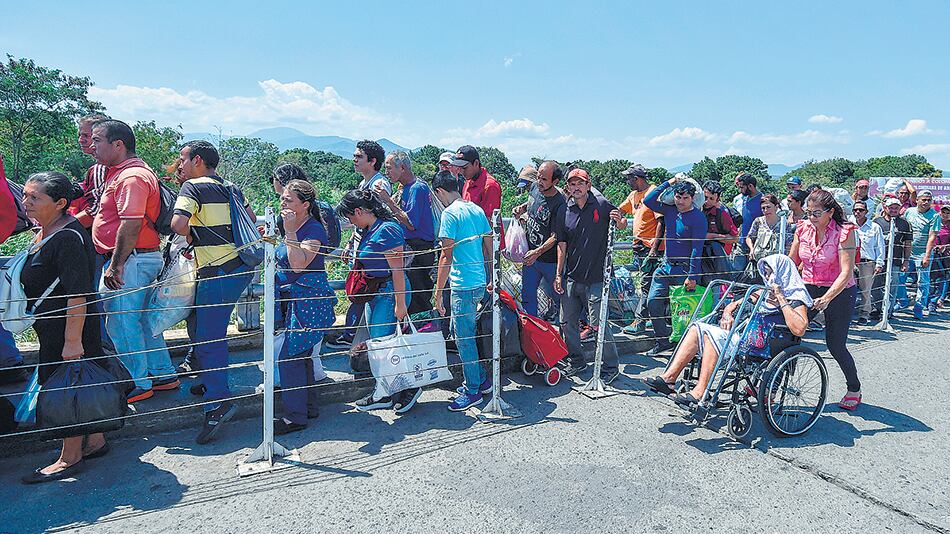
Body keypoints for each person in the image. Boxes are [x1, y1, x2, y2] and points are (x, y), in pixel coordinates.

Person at [19, 172, 108, 484]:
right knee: (79, 384)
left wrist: (72, 341)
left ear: (59, 203)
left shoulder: (68, 238)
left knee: (65, 387)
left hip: (68, 328)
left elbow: (77, 294)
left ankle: (69, 457)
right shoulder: (47, 230)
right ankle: (95, 440)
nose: (26, 202)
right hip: (55, 325)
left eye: (34, 198)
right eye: (26, 195)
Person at [171, 140, 255, 443]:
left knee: (208, 336)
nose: (180, 165)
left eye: (182, 159)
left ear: (197, 161)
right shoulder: (231, 186)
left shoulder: (192, 187)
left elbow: (178, 223)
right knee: (205, 327)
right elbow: (252, 221)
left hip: (216, 269)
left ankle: (218, 401)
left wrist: (196, 233)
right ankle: (209, 381)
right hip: (240, 266)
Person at [643, 254, 810, 406]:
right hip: (745, 337)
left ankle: (700, 392)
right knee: (696, 328)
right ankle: (669, 379)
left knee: (710, 335)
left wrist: (781, 299)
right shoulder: (763, 292)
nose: (768, 277)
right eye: (765, 273)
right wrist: (728, 313)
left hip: (763, 345)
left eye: (770, 272)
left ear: (783, 273)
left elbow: (800, 329)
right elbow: (733, 303)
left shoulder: (795, 297)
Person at [90, 120, 177, 404]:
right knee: (140, 320)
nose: (92, 146)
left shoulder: (131, 177)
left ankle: (137, 382)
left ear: (118, 145)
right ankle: (162, 374)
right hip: (137, 258)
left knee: (122, 323)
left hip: (131, 260)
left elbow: (131, 222)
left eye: (97, 140)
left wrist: (116, 265)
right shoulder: (124, 174)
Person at [336, 190, 417, 413]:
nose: (350, 221)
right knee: (381, 344)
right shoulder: (369, 230)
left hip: (390, 289)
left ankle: (403, 388)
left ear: (359, 211)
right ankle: (387, 391)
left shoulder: (387, 230)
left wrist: (399, 304)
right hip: (378, 291)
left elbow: (398, 270)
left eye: (350, 216)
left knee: (385, 344)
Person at [273, 180, 337, 434]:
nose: (283, 202)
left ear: (305, 205)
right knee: (301, 356)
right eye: (283, 198)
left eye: (288, 200)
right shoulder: (296, 225)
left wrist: (289, 232)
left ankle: (295, 416)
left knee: (289, 357)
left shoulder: (313, 230)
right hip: (294, 301)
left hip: (308, 301)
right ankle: (308, 407)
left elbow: (298, 264)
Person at [790, 189, 862, 410]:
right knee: (789, 334)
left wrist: (827, 298)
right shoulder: (802, 228)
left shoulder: (845, 231)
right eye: (809, 212)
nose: (811, 217)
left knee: (835, 344)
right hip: (809, 285)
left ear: (830, 212)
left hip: (839, 290)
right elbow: (792, 262)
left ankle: (854, 388)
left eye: (817, 213)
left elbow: (847, 272)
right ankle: (774, 386)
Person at [430, 171, 494, 410]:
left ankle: (472, 390)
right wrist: (490, 276)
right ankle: (481, 380)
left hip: (462, 284)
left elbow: (446, 256)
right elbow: (489, 244)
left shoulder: (449, 214)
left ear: (440, 192)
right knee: (461, 333)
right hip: (478, 281)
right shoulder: (476, 210)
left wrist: (437, 293)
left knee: (464, 339)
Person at [554, 169, 624, 382]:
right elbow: (561, 245)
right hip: (572, 276)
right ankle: (577, 361)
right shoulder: (564, 210)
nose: (576, 187)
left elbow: (619, 224)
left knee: (598, 324)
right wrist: (558, 274)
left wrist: (619, 220)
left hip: (596, 277)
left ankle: (610, 367)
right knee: (566, 322)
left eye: (580, 183)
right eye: (572, 184)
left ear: (588, 184)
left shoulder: (601, 204)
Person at [642, 176, 708, 356]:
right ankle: (663, 341)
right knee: (653, 302)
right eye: (678, 197)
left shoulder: (698, 218)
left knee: (682, 311)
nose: (680, 201)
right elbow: (648, 200)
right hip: (665, 266)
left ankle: (683, 347)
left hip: (684, 269)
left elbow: (697, 248)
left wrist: (693, 276)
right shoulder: (670, 211)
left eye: (685, 198)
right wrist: (669, 182)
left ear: (692, 198)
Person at [377, 151, 436, 317]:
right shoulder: (405, 188)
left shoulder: (417, 188)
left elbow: (411, 223)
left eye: (389, 168)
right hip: (412, 248)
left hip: (419, 249)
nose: (386, 173)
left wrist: (388, 200)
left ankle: (422, 333)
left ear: (402, 168)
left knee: (418, 298)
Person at [512, 160, 566, 318]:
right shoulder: (535, 187)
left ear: (555, 182)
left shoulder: (559, 203)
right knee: (528, 295)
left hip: (549, 260)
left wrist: (537, 252)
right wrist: (522, 208)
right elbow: (532, 201)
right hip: (531, 256)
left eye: (544, 180)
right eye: (538, 178)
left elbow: (556, 236)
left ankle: (563, 329)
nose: (539, 182)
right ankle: (532, 328)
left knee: (558, 296)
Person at [617, 164, 665, 335]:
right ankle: (650, 319)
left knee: (646, 285)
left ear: (636, 178)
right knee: (647, 285)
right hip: (638, 246)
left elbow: (661, 221)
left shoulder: (653, 193)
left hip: (651, 249)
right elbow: (619, 210)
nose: (627, 181)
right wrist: (619, 219)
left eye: (628, 178)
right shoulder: (634, 195)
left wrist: (655, 247)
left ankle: (640, 321)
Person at [69, 113, 112, 229]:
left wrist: (60, 228)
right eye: (79, 135)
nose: (80, 140)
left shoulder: (101, 168)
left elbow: (95, 212)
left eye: (86, 136)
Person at [872, 198, 912, 319]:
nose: (894, 210)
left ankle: (888, 313)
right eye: (891, 208)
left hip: (895, 261)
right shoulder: (876, 222)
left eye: (896, 208)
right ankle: (879, 309)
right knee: (875, 286)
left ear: (900, 209)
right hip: (878, 261)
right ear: (885, 208)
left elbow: (908, 244)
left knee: (892, 287)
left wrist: (906, 261)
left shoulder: (905, 223)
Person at [904, 190, 941, 319]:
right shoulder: (909, 212)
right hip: (907, 252)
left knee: (923, 282)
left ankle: (918, 307)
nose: (926, 202)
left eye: (928, 200)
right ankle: (902, 301)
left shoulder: (935, 216)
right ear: (917, 200)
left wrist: (927, 255)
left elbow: (932, 237)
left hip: (923, 254)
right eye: (923, 200)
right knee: (900, 278)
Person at [849, 200, 886, 325]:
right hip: (849, 261)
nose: (857, 212)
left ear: (866, 212)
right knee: (847, 289)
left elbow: (880, 246)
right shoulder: (848, 225)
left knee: (866, 290)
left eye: (861, 210)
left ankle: (864, 314)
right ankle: (846, 314)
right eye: (855, 210)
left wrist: (879, 263)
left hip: (867, 262)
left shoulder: (875, 227)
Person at [453, 145, 503, 237]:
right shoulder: (468, 181)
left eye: (464, 168)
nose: (461, 172)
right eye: (459, 168)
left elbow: (488, 224)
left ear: (476, 163)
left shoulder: (490, 186)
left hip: (486, 244)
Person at [700, 180, 738, 286]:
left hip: (713, 260)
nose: (706, 201)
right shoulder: (694, 209)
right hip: (695, 257)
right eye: (705, 197)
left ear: (717, 199)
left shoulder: (721, 214)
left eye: (711, 199)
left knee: (713, 289)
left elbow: (735, 238)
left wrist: (712, 236)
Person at [746, 194, 792, 264]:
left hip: (776, 262)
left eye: (768, 207)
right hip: (759, 261)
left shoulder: (784, 224)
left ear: (776, 207)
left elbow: (789, 244)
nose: (766, 210)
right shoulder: (758, 221)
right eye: (763, 208)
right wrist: (751, 249)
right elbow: (749, 237)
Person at [923, 203, 950, 311]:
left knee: (943, 278)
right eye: (943, 212)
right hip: (932, 253)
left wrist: (945, 247)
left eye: (948, 213)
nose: (945, 215)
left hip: (946, 256)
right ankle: (926, 300)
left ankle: (936, 301)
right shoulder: (935, 222)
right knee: (929, 278)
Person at [734, 172, 763, 273]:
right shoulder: (744, 199)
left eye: (742, 187)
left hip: (756, 244)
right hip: (741, 242)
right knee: (736, 273)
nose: (740, 190)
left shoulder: (762, 201)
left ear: (750, 186)